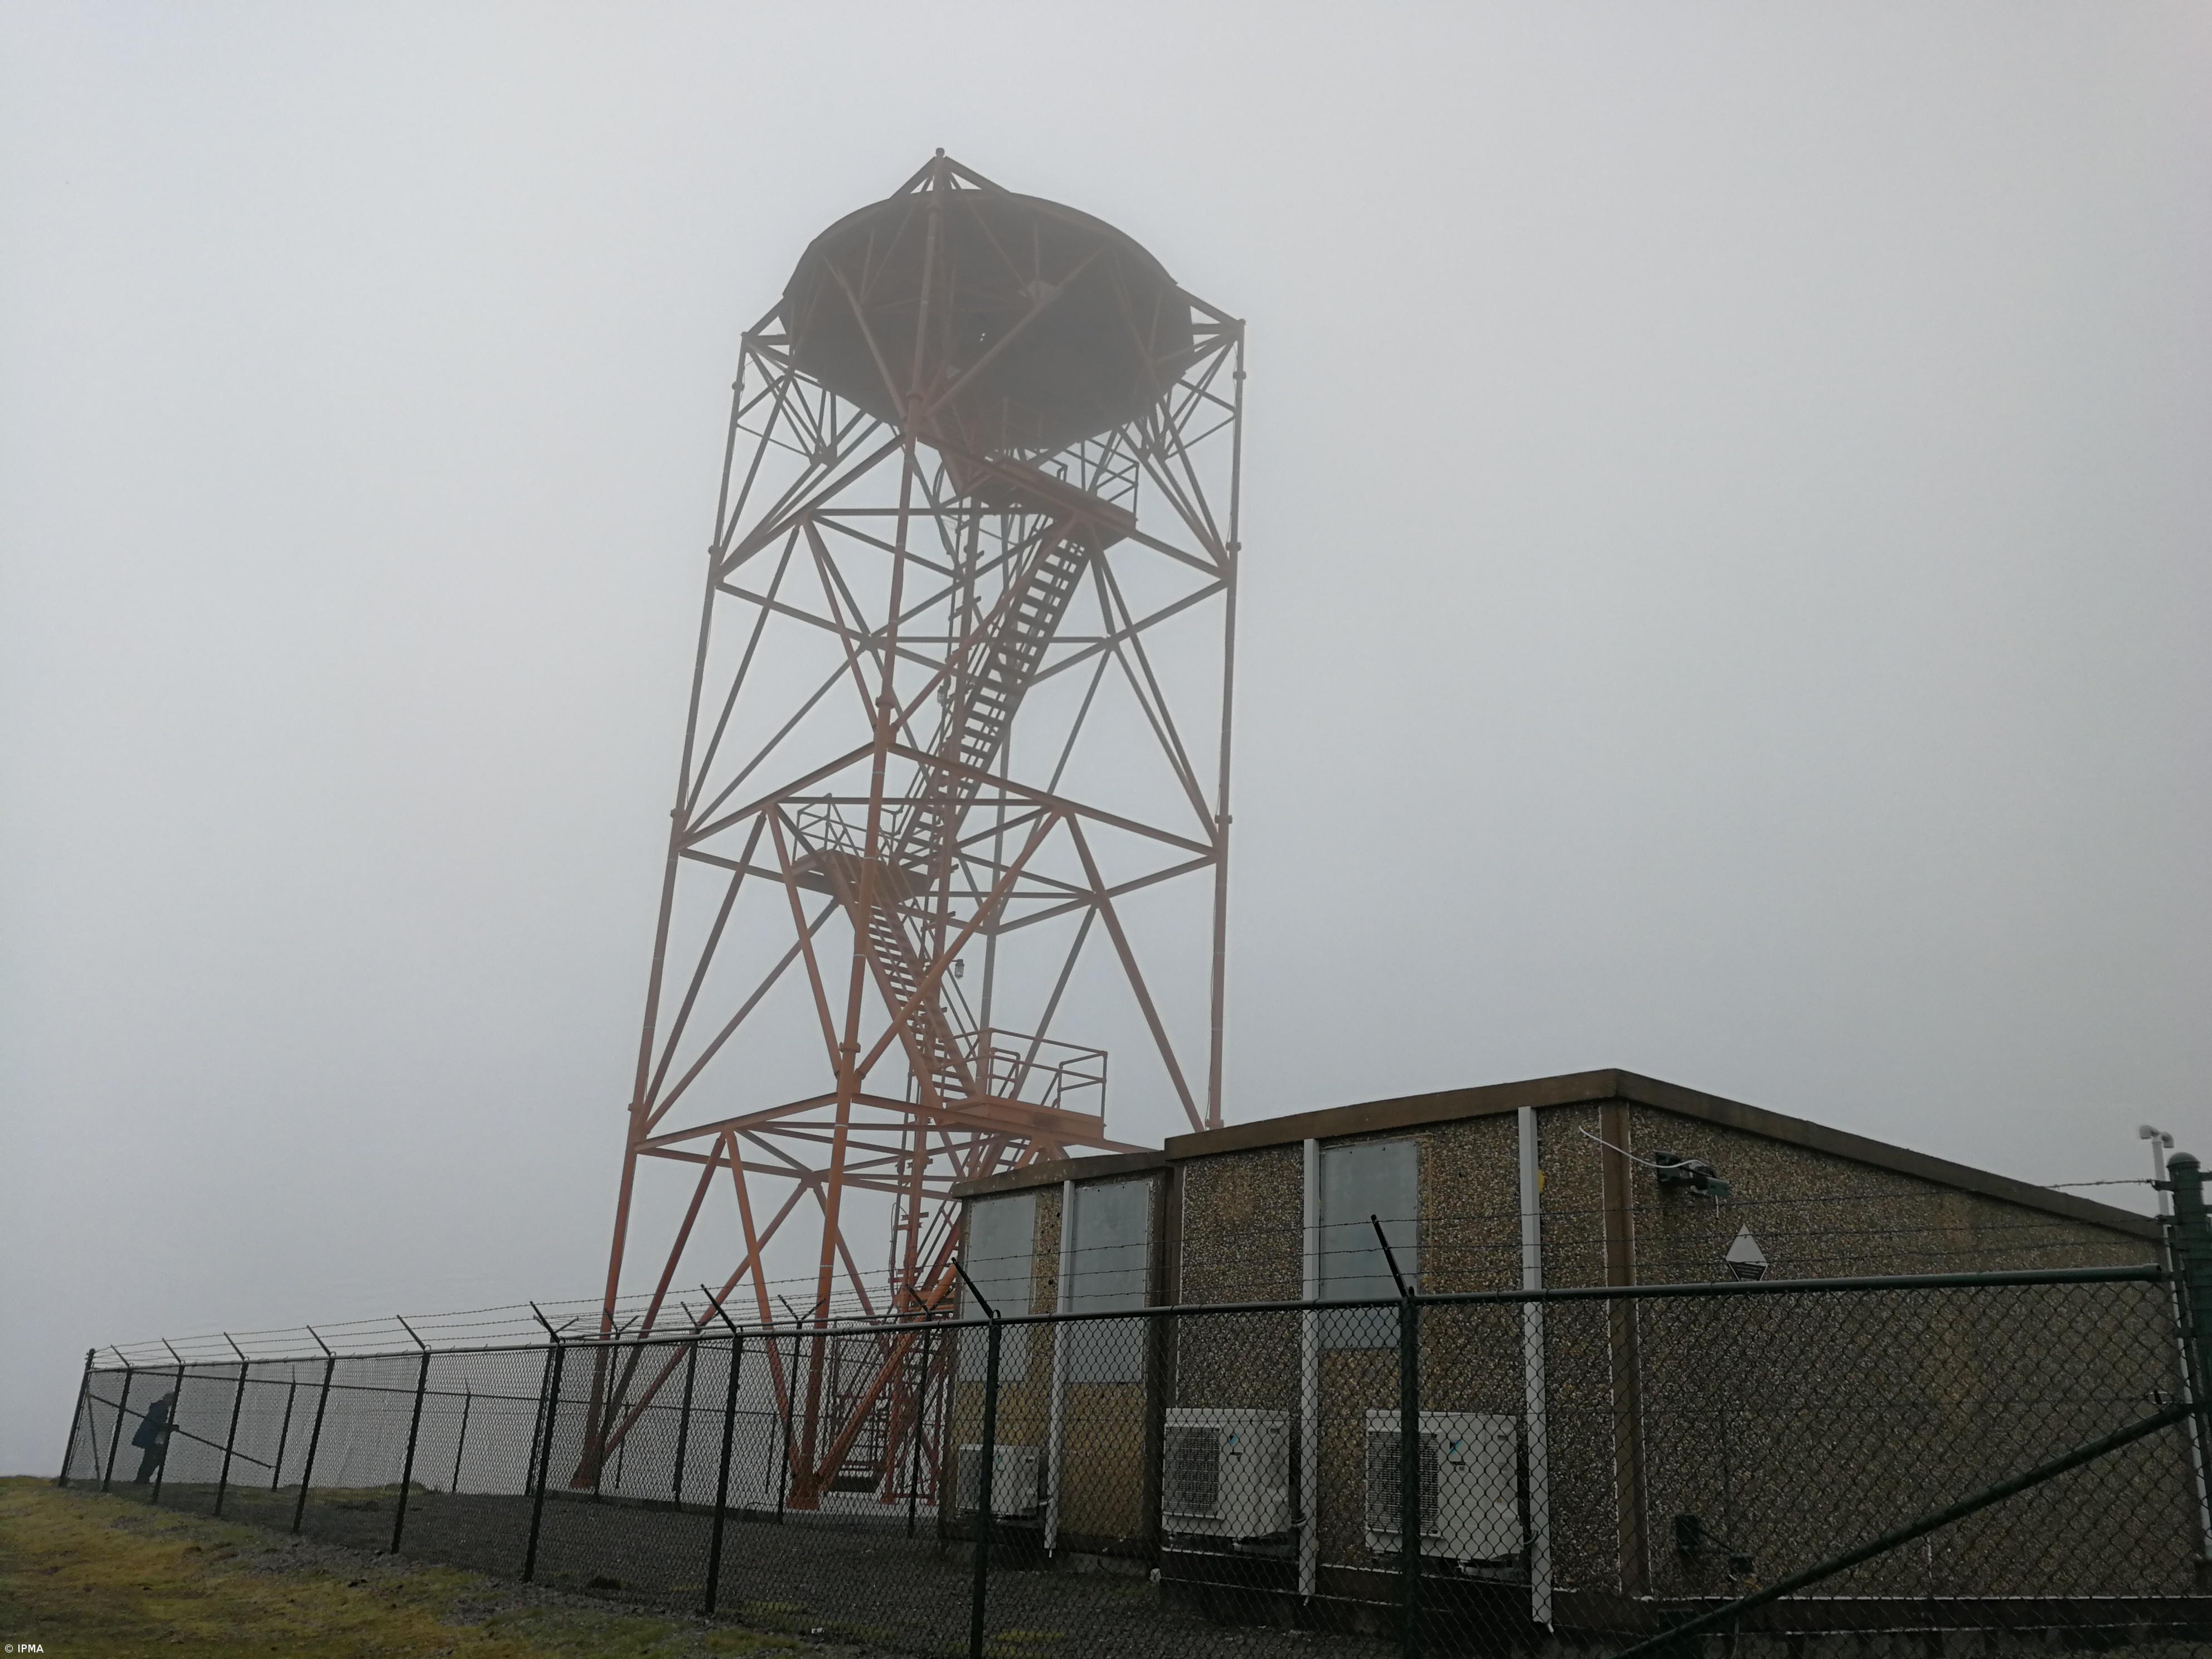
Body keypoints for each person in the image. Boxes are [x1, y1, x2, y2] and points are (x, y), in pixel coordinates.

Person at [130, 1391, 175, 1483]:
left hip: (153, 1437)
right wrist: (169, 1427)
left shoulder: (158, 1407)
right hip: (154, 1438)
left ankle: (142, 1479)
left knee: (149, 1459)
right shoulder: (161, 1408)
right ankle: (142, 1479)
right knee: (154, 1459)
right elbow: (158, 1424)